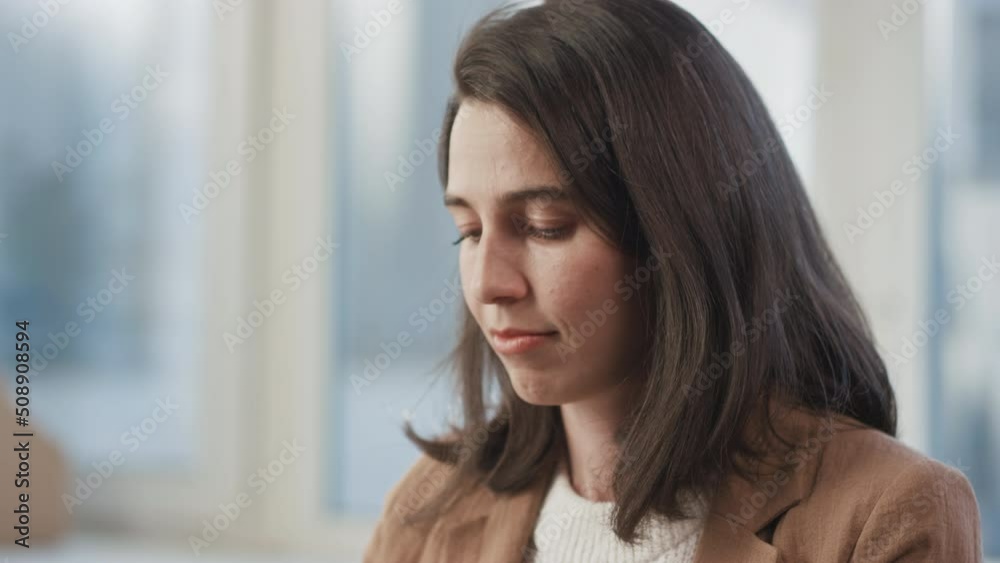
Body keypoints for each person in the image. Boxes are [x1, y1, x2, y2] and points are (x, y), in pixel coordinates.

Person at [363, 0, 983, 561]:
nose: (487, 285)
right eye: (468, 232)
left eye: (545, 227)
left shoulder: (887, 515)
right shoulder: (430, 505)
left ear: (682, 233)